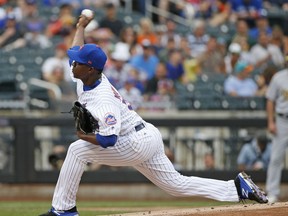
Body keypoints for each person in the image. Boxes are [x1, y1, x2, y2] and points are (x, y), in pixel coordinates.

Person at [39, 13, 268, 216]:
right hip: (146, 135)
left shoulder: (102, 99)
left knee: (77, 150)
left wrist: (83, 135)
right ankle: (237, 188)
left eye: (77, 63)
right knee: (175, 185)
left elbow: (109, 140)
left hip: (134, 142)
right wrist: (81, 27)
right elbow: (76, 53)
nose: (72, 64)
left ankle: (64, 210)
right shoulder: (86, 75)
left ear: (89, 69)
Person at [265, 68, 288, 203]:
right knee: (276, 158)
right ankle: (272, 192)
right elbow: (270, 100)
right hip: (282, 120)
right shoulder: (278, 77)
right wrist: (270, 121)